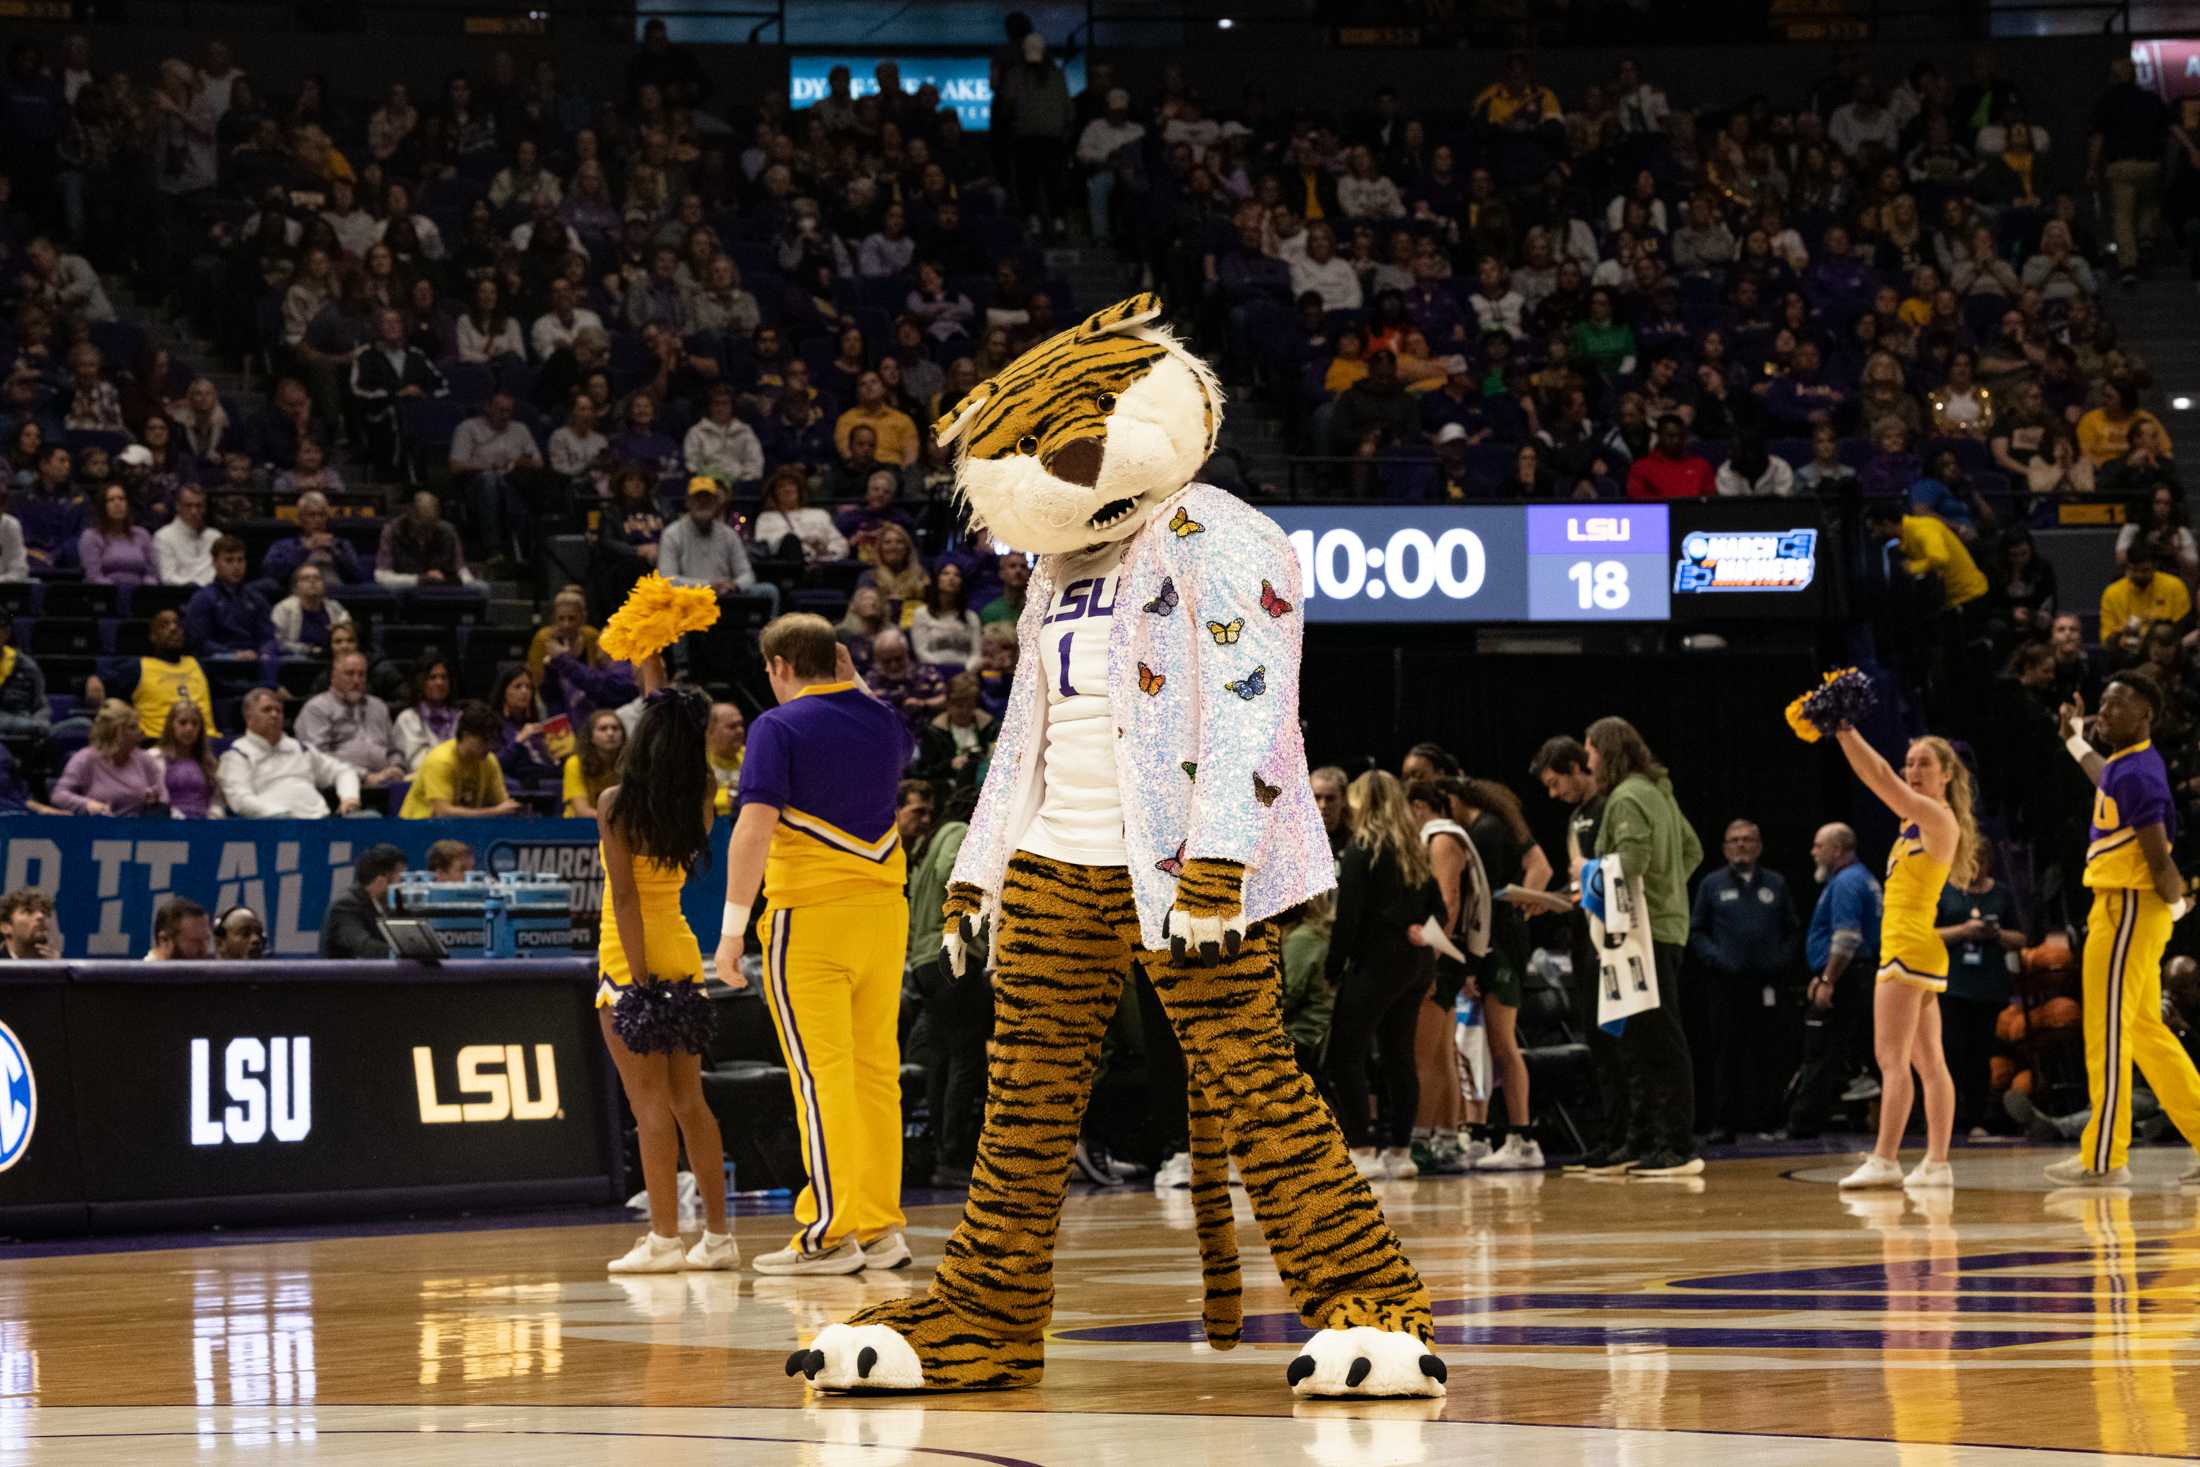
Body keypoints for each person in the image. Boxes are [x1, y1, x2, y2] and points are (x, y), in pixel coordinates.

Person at [712, 615, 913, 1273]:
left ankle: (828, 1234)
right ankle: (881, 1228)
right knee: (876, 1075)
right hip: (885, 916)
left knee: (819, 1076)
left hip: (811, 920)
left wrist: (732, 931)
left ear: (779, 668)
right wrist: (854, 679)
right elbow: (886, 726)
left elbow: (751, 831)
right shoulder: (883, 721)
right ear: (840, 658)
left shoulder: (777, 726)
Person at [589, 651, 737, 1274]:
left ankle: (664, 1241)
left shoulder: (616, 802)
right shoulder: (701, 791)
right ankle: (721, 1239)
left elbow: (623, 899)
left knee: (648, 1105)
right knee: (688, 1100)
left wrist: (637, 983)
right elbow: (671, 723)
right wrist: (654, 667)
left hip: (633, 955)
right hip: (682, 947)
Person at [2046, 674, 2200, 1184]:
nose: (2104, 713)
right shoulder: (2125, 765)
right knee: (2144, 1031)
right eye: (2103, 704)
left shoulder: (2141, 774)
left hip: (2130, 908)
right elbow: (2102, 776)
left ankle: (2105, 1157)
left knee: (2107, 1033)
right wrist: (2073, 738)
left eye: (2117, 705)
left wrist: (2175, 906)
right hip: (2127, 909)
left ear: (2146, 715)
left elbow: (2159, 859)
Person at [1826, 727, 1976, 1190]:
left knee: (1890, 1059)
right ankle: (1936, 1162)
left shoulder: (1934, 816)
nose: (1912, 772)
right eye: (1909, 762)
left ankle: (1886, 1157)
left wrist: (1844, 731)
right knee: (1929, 1062)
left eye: (1923, 764)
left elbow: (1879, 777)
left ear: (1947, 774)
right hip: (1917, 948)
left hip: (1907, 951)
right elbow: (1883, 777)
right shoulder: (1918, 821)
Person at [1585, 716, 1703, 1176]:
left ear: (1606, 751)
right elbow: (1692, 850)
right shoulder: (1658, 792)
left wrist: (1587, 875)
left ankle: (1677, 1146)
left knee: (1660, 1040)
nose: (1588, 760)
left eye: (1590, 751)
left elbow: (1632, 860)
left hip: (1643, 932)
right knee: (1649, 1039)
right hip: (1662, 926)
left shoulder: (1628, 796)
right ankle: (1657, 1142)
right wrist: (1670, 891)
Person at [1324, 770, 1443, 1181]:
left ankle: (1362, 1149)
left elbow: (1349, 919)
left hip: (1376, 964)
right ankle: (1400, 1151)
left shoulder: (1361, 851)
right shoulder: (1415, 849)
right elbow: (1440, 913)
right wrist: (1412, 926)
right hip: (1415, 965)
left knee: (1344, 1055)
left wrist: (1333, 966)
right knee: (1398, 1056)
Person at [1452, 775, 1554, 1171]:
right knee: (1479, 1044)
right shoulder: (1492, 825)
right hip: (1497, 946)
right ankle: (1480, 1135)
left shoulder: (1486, 830)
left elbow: (1485, 899)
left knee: (1502, 1044)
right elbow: (1540, 866)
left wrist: (1517, 912)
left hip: (1499, 951)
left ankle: (1522, 1138)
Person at [1687, 820, 1801, 1140]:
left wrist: (1779, 961)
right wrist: (1718, 960)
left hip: (1767, 984)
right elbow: (1697, 931)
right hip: (1725, 984)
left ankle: (1770, 1120)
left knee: (1769, 1052)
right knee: (1726, 1053)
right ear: (1724, 848)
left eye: (1747, 840)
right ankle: (1725, 1123)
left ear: (1759, 846)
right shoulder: (1711, 884)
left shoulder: (1775, 884)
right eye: (1734, 840)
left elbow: (1792, 930)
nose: (1740, 846)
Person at [1788, 822, 1885, 1139]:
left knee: (1822, 1050)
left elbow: (1847, 938)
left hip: (1849, 976)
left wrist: (1828, 979)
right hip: (1859, 975)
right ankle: (1861, 1084)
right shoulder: (1861, 878)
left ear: (1838, 850)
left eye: (1819, 846)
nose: (1813, 852)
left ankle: (1803, 1128)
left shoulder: (1847, 883)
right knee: (1851, 1047)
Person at [1404, 781, 1474, 1175]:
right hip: (1448, 954)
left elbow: (1449, 902)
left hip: (1440, 954)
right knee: (1442, 1053)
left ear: (1417, 807)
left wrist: (1427, 962)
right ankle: (1445, 1137)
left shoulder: (1441, 838)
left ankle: (1420, 1138)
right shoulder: (1448, 835)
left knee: (1424, 1054)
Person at [1934, 846, 2023, 1138]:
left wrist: (1995, 934)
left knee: (1980, 1055)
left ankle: (1975, 1116)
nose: (1974, 869)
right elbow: (1926, 934)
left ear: (1988, 864)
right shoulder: (1944, 890)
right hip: (1951, 985)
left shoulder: (2002, 894)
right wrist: (1963, 931)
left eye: (1979, 863)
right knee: (1950, 1050)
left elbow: (2021, 937)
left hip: (1988, 986)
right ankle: (1946, 1117)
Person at [219, 688, 364, 818]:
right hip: (274, 825)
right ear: (248, 717)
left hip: (319, 821)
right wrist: (280, 815)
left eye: (278, 710)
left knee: (370, 817)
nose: (274, 714)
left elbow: (343, 771)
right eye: (267, 710)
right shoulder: (238, 754)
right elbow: (240, 799)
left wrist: (349, 798)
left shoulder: (300, 748)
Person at [84, 608, 216, 740]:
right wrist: (93, 679)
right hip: (158, 744)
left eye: (178, 625)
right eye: (164, 625)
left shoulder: (198, 665)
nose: (173, 628)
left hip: (206, 745)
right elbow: (97, 679)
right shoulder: (138, 667)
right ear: (153, 636)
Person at [295, 651, 404, 785]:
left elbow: (394, 750)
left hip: (386, 780)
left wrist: (397, 767)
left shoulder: (378, 706)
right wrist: (365, 776)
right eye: (350, 674)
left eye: (361, 674)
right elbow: (318, 759)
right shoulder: (316, 708)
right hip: (342, 784)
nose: (356, 680)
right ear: (333, 677)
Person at [399, 702, 523, 818]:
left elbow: (504, 804)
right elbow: (443, 812)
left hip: (460, 831)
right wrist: (494, 812)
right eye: (484, 740)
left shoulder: (489, 760)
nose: (489, 746)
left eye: (492, 741)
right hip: (419, 829)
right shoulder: (441, 761)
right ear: (466, 735)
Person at [51, 700, 167, 816]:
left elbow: (163, 795)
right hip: (98, 827)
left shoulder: (144, 759)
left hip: (136, 829)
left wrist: (154, 797)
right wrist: (87, 804)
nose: (141, 732)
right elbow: (59, 795)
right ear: (116, 731)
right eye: (132, 727)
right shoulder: (86, 758)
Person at [320, 844, 407, 958]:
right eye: (401, 878)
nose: (403, 885)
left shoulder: (391, 906)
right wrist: (407, 955)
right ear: (382, 878)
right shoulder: (345, 906)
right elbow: (364, 946)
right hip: (347, 975)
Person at [156, 700, 224, 819]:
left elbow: (216, 800)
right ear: (171, 725)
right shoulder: (156, 758)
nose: (189, 728)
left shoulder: (209, 762)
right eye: (183, 723)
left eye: (195, 723)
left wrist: (214, 816)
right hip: (169, 827)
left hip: (205, 826)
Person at [564, 708, 627, 818]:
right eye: (603, 729)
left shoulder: (629, 764)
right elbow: (581, 811)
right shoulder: (575, 763)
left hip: (617, 826)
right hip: (579, 827)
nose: (610, 733)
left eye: (615, 728)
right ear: (591, 737)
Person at [145, 897, 212, 962]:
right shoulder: (145, 973)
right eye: (195, 941)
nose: (203, 949)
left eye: (206, 939)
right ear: (164, 940)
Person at [0, 890, 58, 960]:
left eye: (44, 911)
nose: (41, 916)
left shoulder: (60, 966)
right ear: (5, 927)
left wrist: (57, 967)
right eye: (28, 911)